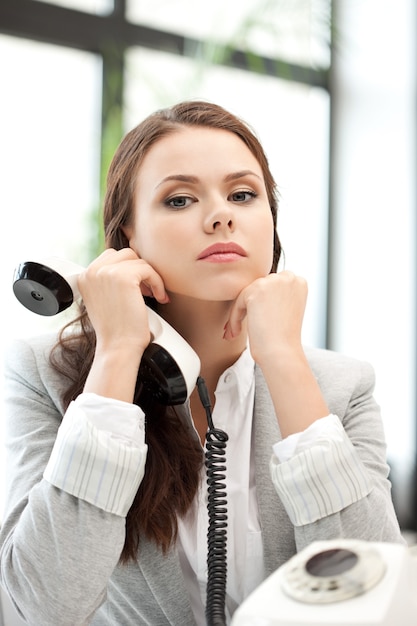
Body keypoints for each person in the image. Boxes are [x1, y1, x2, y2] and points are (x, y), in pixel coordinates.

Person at [0, 100, 404, 626]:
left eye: (242, 194)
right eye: (180, 199)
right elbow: (41, 607)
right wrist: (119, 352)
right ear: (129, 237)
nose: (221, 215)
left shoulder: (341, 385)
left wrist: (283, 361)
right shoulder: (43, 374)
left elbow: (376, 604)